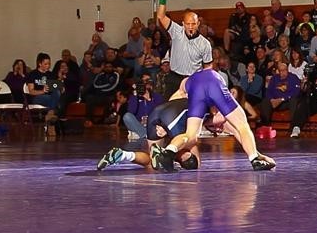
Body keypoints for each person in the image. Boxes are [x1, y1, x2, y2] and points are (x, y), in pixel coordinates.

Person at [97, 63, 276, 173]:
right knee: (195, 153)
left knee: (157, 161)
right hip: (172, 115)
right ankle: (169, 152)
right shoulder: (219, 111)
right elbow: (239, 130)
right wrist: (256, 154)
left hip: (162, 111)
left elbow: (176, 98)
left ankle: (126, 155)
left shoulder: (190, 88)